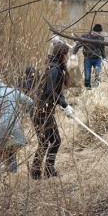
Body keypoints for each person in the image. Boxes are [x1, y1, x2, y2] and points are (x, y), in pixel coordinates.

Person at [32, 38, 75, 179]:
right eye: (66, 55)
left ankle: (42, 172)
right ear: (62, 55)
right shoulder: (54, 69)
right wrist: (63, 105)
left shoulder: (56, 67)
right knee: (51, 141)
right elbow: (50, 91)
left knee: (49, 141)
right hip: (41, 111)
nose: (68, 57)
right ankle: (39, 172)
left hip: (44, 109)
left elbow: (57, 91)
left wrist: (65, 104)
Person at [0, 75, 33, 176]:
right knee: (10, 151)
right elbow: (30, 102)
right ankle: (13, 176)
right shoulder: (12, 91)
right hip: (15, 128)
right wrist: (21, 114)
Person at [74, 23, 107, 89]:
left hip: (97, 58)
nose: (99, 34)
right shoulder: (85, 37)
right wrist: (73, 54)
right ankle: (88, 88)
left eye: (100, 33)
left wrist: (104, 57)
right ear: (94, 32)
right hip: (87, 59)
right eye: (98, 33)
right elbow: (78, 45)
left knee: (98, 72)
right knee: (87, 75)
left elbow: (102, 48)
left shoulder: (101, 38)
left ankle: (97, 87)